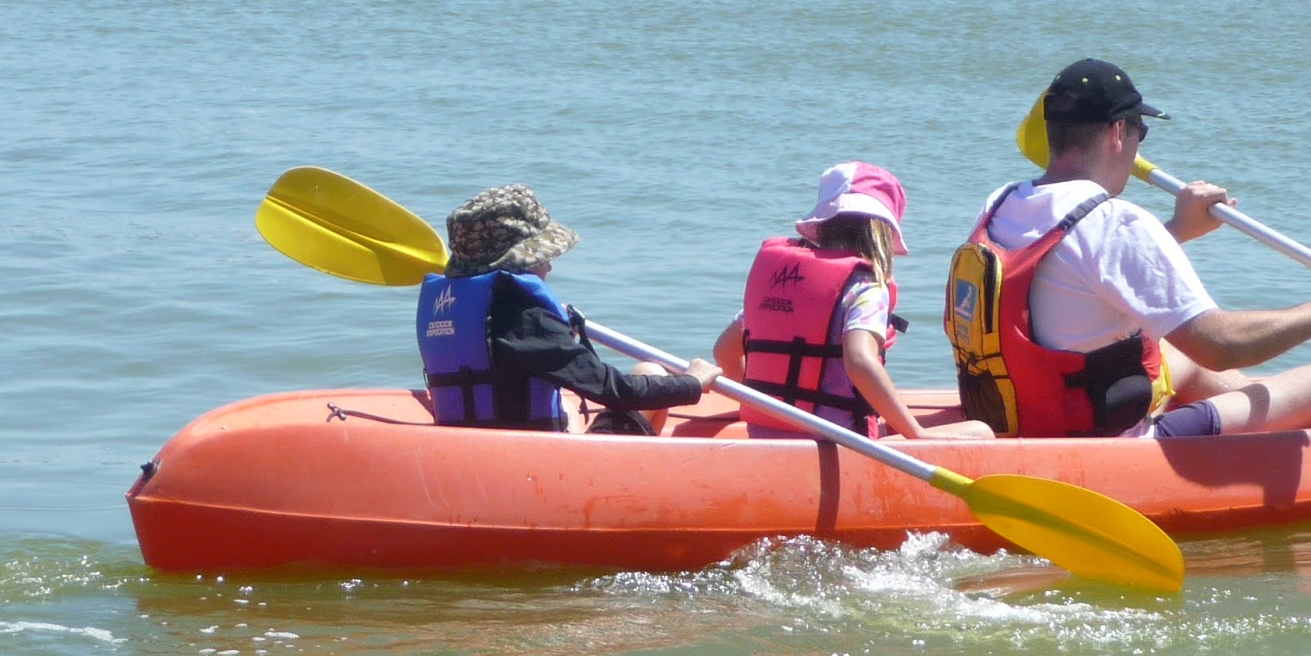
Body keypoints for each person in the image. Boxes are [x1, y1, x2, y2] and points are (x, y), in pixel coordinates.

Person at [946, 57, 1311, 439]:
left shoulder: (1001, 202)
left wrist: (1177, 229)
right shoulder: (1117, 223)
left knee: (1180, 360)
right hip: (1110, 447)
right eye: (1140, 131)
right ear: (1118, 132)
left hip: (1024, 416)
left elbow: (1072, 274)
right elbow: (1221, 345)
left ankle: (1273, 423)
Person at [714, 162, 993, 441]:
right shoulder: (864, 287)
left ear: (821, 224)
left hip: (766, 435)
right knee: (981, 430)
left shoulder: (784, 281)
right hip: (840, 443)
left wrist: (767, 406)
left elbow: (724, 351)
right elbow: (859, 360)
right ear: (884, 233)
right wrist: (915, 433)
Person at [416, 184, 720, 434]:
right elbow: (613, 390)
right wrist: (690, 383)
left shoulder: (457, 306)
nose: (548, 266)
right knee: (650, 371)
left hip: (469, 448)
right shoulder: (525, 317)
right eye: (540, 258)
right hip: (532, 464)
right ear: (517, 263)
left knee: (568, 407)